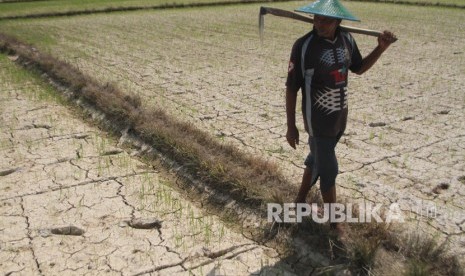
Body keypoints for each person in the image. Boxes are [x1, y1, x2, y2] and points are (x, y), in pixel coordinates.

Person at [285, 0, 396, 234]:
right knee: (329, 169)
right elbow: (291, 87)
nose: (319, 23)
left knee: (316, 159)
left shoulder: (347, 40)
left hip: (339, 117)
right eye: (317, 18)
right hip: (317, 120)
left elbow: (359, 68)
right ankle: (335, 223)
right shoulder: (304, 46)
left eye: (326, 20)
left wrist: (381, 48)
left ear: (338, 21)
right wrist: (291, 126)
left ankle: (300, 200)